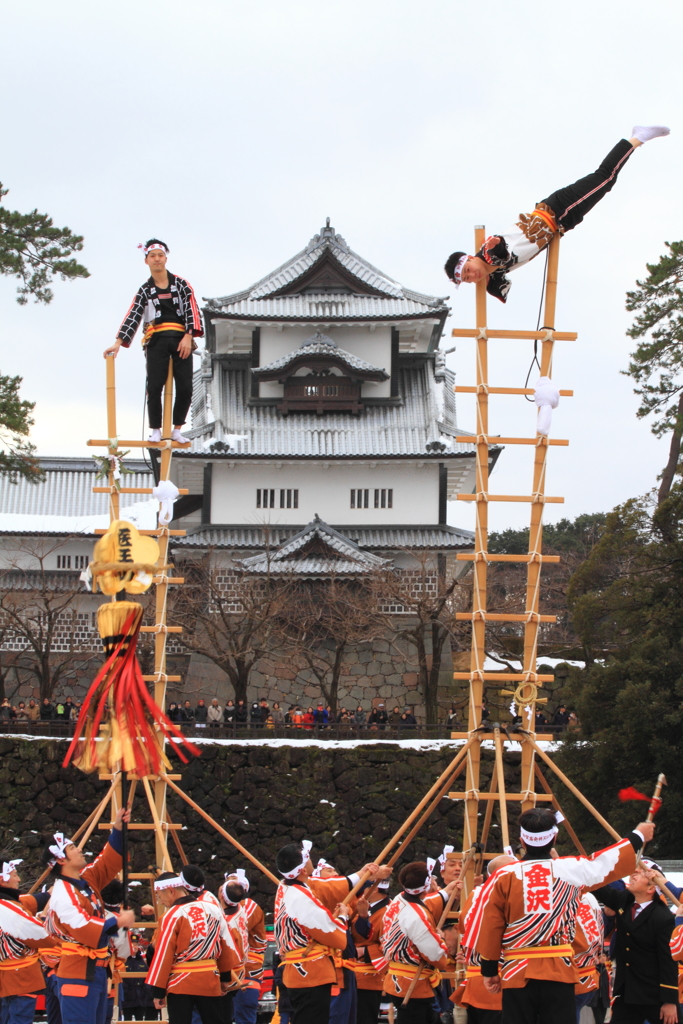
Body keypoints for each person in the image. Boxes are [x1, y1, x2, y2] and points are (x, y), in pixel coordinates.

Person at [469, 807, 656, 1024]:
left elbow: (492, 924)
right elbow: (606, 862)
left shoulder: (504, 875)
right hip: (559, 970)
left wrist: (490, 968)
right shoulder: (570, 869)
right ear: (555, 837)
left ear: (522, 838)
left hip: (517, 971)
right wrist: (638, 835)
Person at [444, 128, 671, 304]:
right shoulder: (494, 272)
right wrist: (492, 284)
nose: (471, 275)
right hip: (561, 224)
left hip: (556, 209)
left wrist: (495, 250)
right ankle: (635, 139)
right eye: (466, 279)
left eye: (467, 270)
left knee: (604, 179)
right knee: (605, 182)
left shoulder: (488, 252)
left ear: (470, 258)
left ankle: (636, 138)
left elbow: (500, 253)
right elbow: (501, 286)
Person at [105, 239, 203, 445]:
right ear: (146, 261)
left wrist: (189, 335)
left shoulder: (182, 284)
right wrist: (118, 342)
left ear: (166, 258)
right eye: (153, 256)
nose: (157, 259)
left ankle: (177, 428)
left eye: (160, 255)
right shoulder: (144, 290)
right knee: (154, 385)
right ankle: (156, 429)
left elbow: (192, 309)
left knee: (185, 386)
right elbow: (134, 314)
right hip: (156, 338)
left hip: (180, 338)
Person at [43, 809, 134, 1024]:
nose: (80, 849)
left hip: (97, 971)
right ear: (62, 861)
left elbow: (107, 862)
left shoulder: (84, 881)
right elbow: (83, 927)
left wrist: (118, 829)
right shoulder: (62, 893)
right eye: (73, 848)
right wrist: (118, 921)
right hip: (77, 971)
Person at [146, 866, 240, 1024]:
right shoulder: (213, 909)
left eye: (159, 895)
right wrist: (225, 977)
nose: (159, 901)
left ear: (170, 891)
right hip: (209, 979)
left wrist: (158, 991)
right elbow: (227, 944)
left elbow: (163, 954)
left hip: (180, 982)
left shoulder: (172, 915)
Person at [591, 862, 678, 1024]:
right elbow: (600, 890)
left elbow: (668, 961)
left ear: (651, 888)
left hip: (654, 994)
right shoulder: (624, 901)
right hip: (627, 991)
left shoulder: (663, 917)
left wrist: (670, 1001)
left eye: (640, 874)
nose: (633, 874)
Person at [273, 840, 350, 1023]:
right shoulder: (301, 897)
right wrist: (342, 917)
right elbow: (338, 938)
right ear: (303, 870)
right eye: (307, 858)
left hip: (296, 970)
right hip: (310, 971)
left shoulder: (284, 888)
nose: (310, 860)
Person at [381, 860, 450, 1022]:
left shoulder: (398, 900)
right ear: (426, 885)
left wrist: (447, 891)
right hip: (412, 984)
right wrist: (441, 938)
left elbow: (427, 902)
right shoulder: (416, 915)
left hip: (398, 979)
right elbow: (436, 956)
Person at [456, 854, 518, 1024]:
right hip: (505, 977)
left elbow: (463, 929)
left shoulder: (476, 895)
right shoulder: (514, 895)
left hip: (477, 978)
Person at [0, 855, 57, 1024]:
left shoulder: (10, 904)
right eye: (15, 874)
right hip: (21, 977)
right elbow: (41, 935)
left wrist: (49, 895)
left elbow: (29, 902)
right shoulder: (10, 909)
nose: (18, 879)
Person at [223, 870, 267, 1024]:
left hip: (248, 970)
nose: (230, 885)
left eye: (234, 882)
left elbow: (229, 928)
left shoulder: (248, 906)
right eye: (228, 882)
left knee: (243, 1016)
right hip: (231, 970)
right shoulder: (225, 909)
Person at [352, 878, 392, 1024]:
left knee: (365, 1018)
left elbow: (391, 943)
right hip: (353, 974)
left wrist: (366, 952)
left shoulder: (389, 911)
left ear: (374, 888)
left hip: (370, 974)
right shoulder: (362, 906)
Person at [121, 935, 158, 1021]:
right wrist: (126, 990)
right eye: (132, 944)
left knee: (140, 1020)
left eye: (136, 944)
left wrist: (144, 990)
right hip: (127, 999)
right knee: (127, 1020)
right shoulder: (123, 959)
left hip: (140, 999)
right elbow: (120, 977)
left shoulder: (141, 960)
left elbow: (147, 976)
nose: (134, 947)